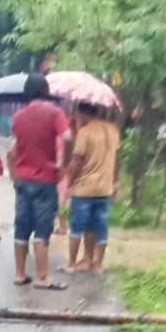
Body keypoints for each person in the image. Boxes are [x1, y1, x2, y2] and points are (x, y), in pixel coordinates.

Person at [7, 73, 68, 290]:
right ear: (45, 91)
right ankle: (43, 277)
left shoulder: (18, 117)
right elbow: (68, 138)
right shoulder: (55, 113)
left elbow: (12, 152)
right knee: (42, 230)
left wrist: (14, 175)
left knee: (21, 227)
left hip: (23, 180)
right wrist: (63, 165)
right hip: (45, 180)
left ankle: (20, 274)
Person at [66, 102, 121, 274]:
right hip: (105, 188)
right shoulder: (113, 130)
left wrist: (69, 184)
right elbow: (117, 160)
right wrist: (115, 183)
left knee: (77, 227)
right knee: (99, 227)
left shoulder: (85, 132)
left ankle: (72, 263)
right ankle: (95, 263)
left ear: (81, 114)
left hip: (84, 188)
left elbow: (76, 162)